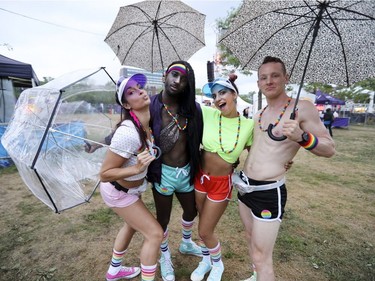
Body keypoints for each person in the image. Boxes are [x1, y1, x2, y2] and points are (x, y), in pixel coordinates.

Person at [237, 56, 335, 281]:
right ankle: (256, 276)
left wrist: (303, 137)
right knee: (250, 237)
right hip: (244, 187)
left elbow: (329, 148)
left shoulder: (302, 108)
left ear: (286, 78)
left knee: (263, 256)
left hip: (268, 192)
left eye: (275, 75)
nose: (268, 81)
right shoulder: (260, 113)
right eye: (263, 77)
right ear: (258, 83)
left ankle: (262, 273)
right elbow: (260, 149)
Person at [99, 74, 164, 281]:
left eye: (139, 87)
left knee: (131, 225)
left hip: (131, 190)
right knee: (155, 234)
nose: (140, 91)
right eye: (131, 92)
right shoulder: (128, 133)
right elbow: (105, 174)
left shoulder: (146, 125)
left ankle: (114, 271)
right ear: (126, 104)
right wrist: (136, 168)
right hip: (118, 192)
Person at [190, 76, 254, 281]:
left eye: (223, 92)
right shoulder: (208, 114)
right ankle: (206, 260)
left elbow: (258, 153)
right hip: (200, 178)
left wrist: (283, 162)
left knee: (205, 230)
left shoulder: (248, 125)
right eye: (215, 95)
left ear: (234, 94)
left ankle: (217, 264)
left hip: (221, 183)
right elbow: (183, 100)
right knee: (203, 227)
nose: (218, 98)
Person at [147, 61, 203, 281]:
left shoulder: (193, 109)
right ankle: (164, 256)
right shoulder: (151, 106)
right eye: (174, 75)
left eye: (183, 79)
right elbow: (131, 129)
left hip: (186, 172)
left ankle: (186, 242)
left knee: (192, 211)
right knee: (163, 220)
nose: (177, 81)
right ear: (165, 76)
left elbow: (202, 140)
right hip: (163, 174)